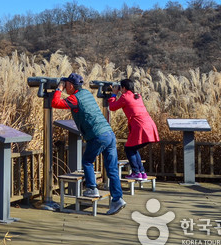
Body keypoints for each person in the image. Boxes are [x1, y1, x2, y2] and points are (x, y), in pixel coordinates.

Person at [52, 72, 126, 215]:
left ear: (71, 85)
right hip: (109, 134)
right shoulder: (86, 94)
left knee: (87, 161)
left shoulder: (75, 98)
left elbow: (55, 103)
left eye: (66, 84)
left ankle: (92, 189)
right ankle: (117, 199)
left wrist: (59, 89)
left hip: (98, 135)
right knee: (112, 169)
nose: (65, 86)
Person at [109, 78, 160, 180]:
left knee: (129, 149)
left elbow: (112, 107)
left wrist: (114, 94)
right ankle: (141, 172)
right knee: (133, 148)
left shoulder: (124, 97)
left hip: (139, 126)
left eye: (120, 87)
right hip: (149, 125)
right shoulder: (137, 96)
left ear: (123, 88)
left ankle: (136, 172)